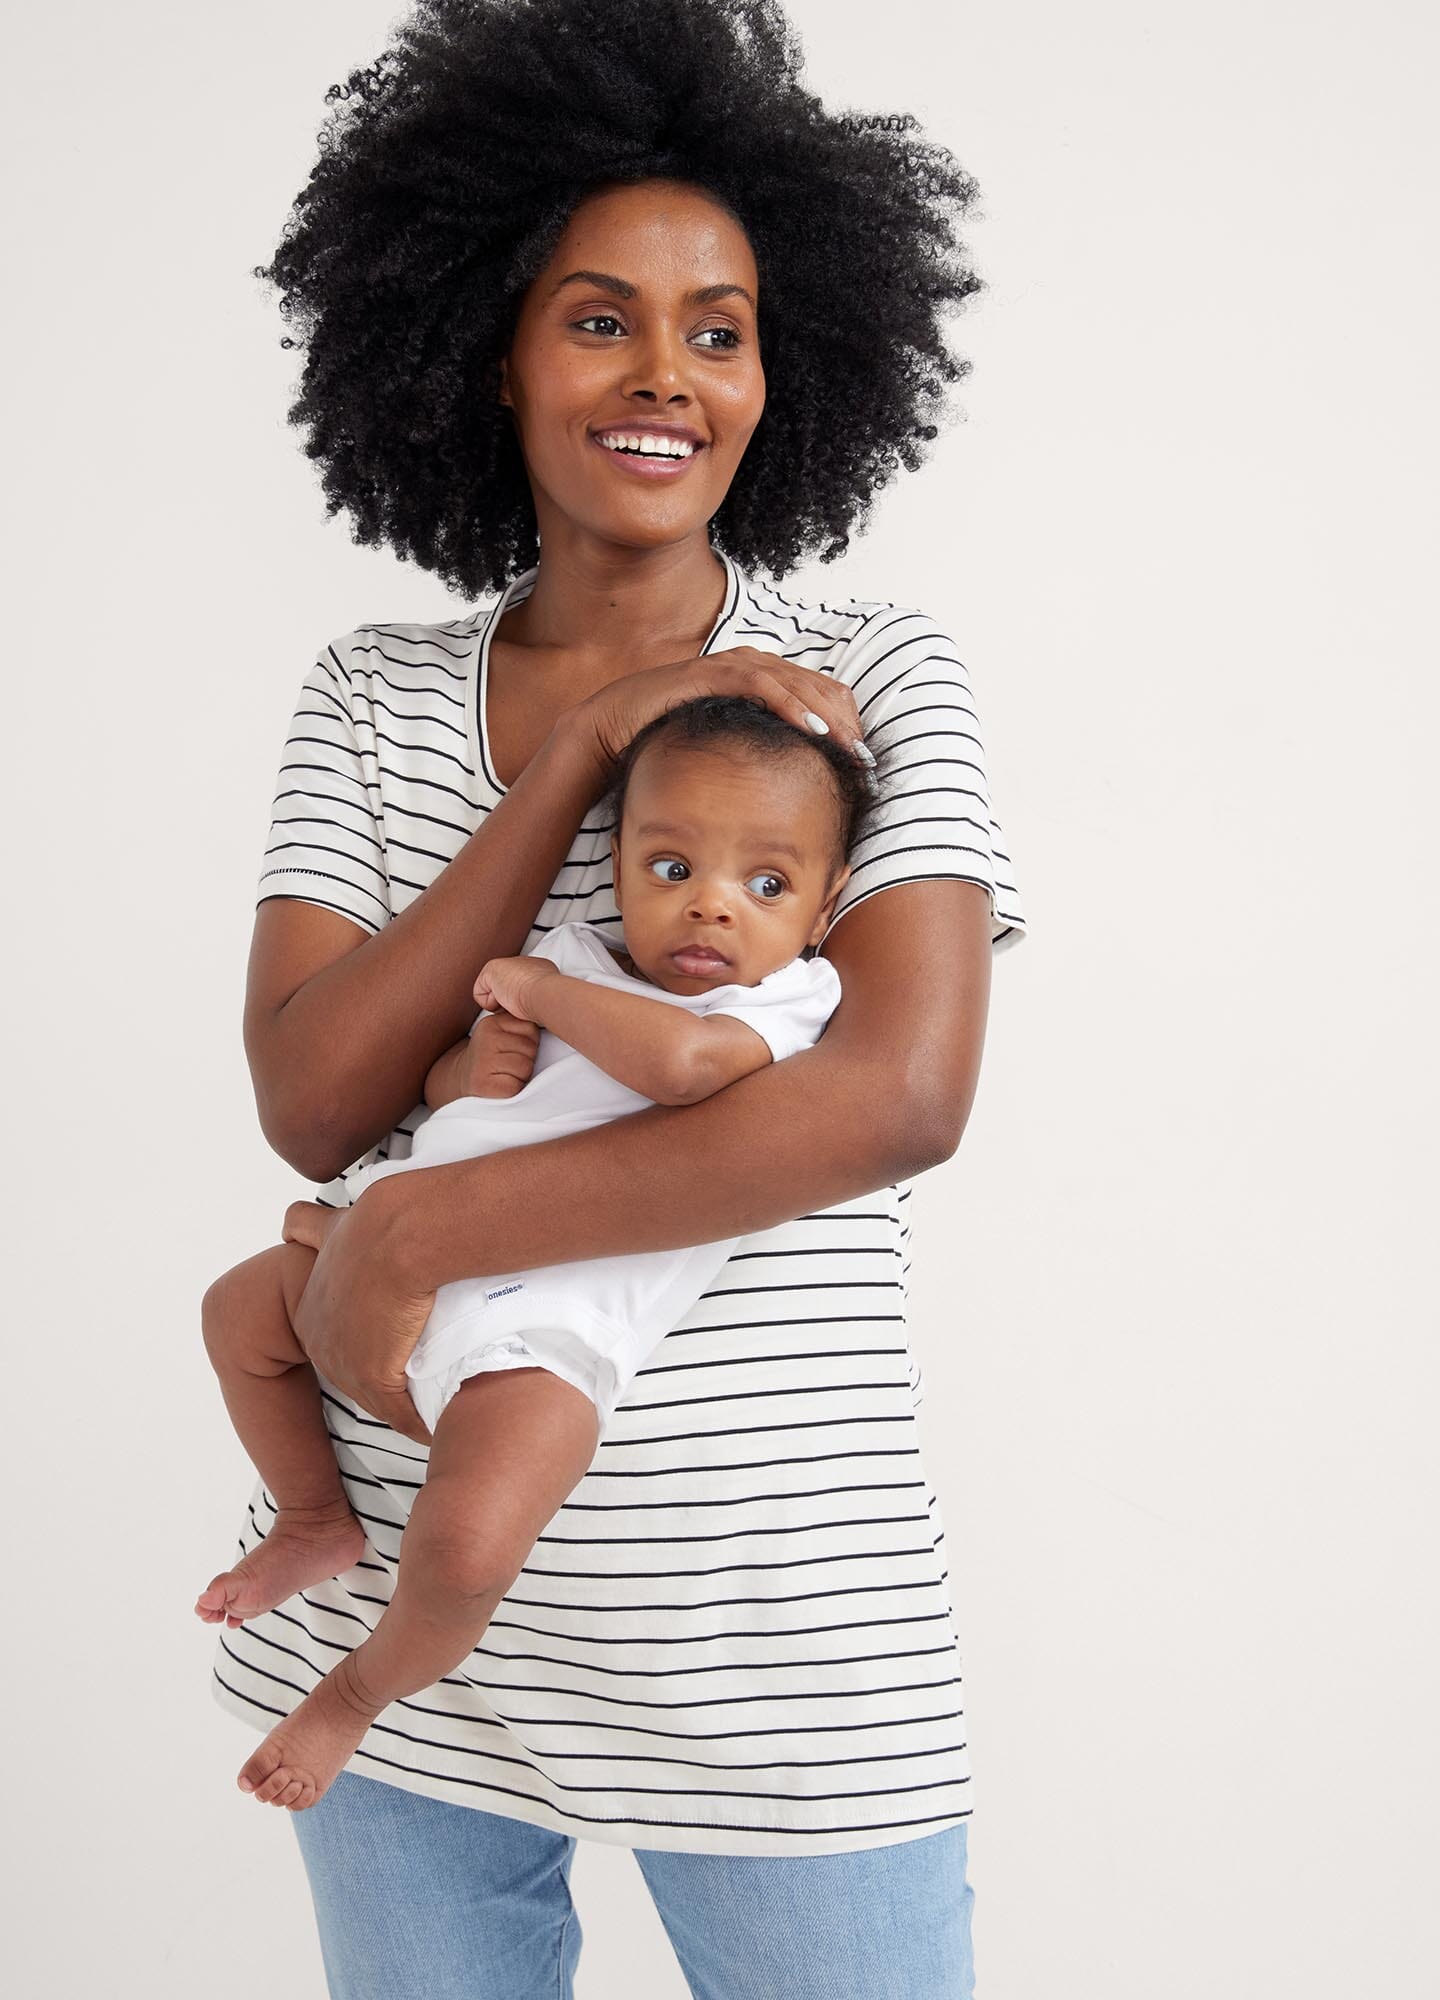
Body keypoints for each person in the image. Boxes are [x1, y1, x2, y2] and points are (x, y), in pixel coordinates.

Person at [210, 1, 1029, 1992]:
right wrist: (582, 755)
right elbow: (314, 1099)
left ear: (786, 366)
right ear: (487, 344)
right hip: (400, 1648)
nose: (666, 372)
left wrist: (410, 1233)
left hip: (773, 1656)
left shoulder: (872, 677)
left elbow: (894, 1095)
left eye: (720, 326)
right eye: (598, 317)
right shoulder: (372, 699)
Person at [196, 692, 856, 1810]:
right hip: (390, 1232)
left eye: (766, 885)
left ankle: (357, 1692)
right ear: (618, 866)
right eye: (670, 868)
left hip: (546, 1325)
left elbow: (684, 1068)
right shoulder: (574, 950)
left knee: (466, 1548)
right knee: (236, 1315)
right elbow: (468, 1089)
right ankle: (312, 1515)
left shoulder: (788, 1000)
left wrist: (543, 993)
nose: (710, 908)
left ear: (825, 906)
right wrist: (478, 1062)